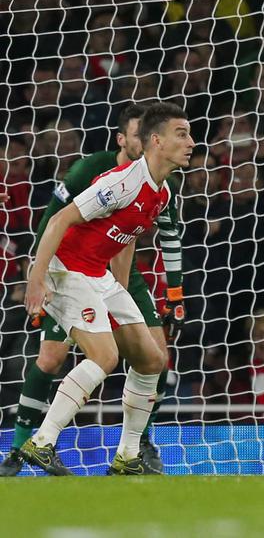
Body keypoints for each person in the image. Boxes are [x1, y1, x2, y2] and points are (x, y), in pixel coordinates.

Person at [2, 104, 187, 477]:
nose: (191, 142)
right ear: (156, 141)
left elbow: (123, 243)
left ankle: (128, 455)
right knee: (103, 356)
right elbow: (59, 219)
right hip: (65, 269)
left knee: (153, 360)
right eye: (181, 134)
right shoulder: (120, 182)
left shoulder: (162, 192)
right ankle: (41, 442)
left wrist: (125, 295)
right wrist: (35, 280)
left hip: (97, 273)